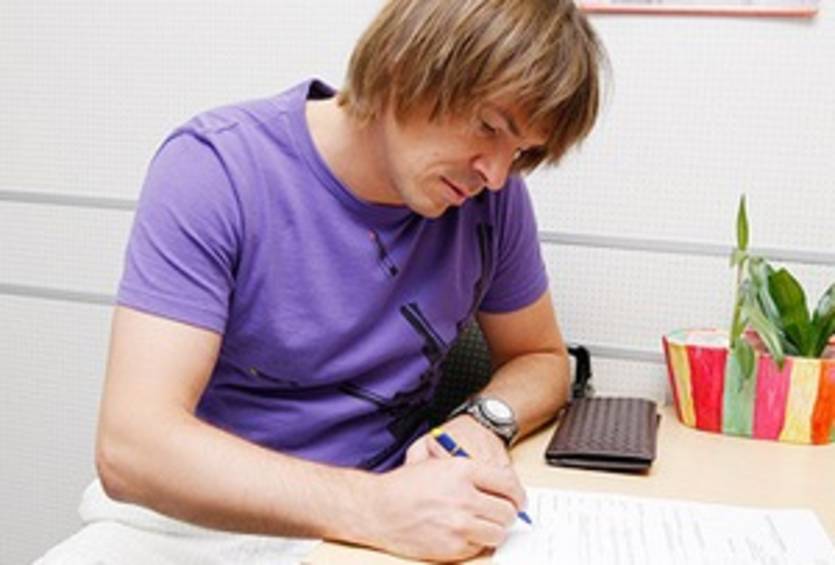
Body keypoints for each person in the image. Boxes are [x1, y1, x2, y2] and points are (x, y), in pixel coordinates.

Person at [39, 0, 604, 562]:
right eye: (489, 127)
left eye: (521, 152)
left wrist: (481, 422)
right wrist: (375, 508)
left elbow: (540, 357)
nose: (497, 174)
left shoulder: (491, 200)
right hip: (196, 520)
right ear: (405, 65)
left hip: (381, 525)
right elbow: (133, 449)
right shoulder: (218, 168)